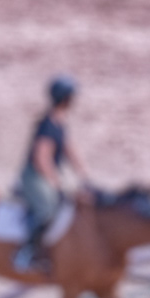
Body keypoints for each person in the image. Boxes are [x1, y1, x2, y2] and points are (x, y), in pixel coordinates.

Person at [14, 76, 90, 273]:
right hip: (34, 176)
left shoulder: (60, 122)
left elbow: (69, 150)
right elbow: (41, 157)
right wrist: (55, 180)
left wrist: (84, 175)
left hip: (47, 174)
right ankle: (26, 253)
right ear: (66, 98)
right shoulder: (47, 124)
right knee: (47, 209)